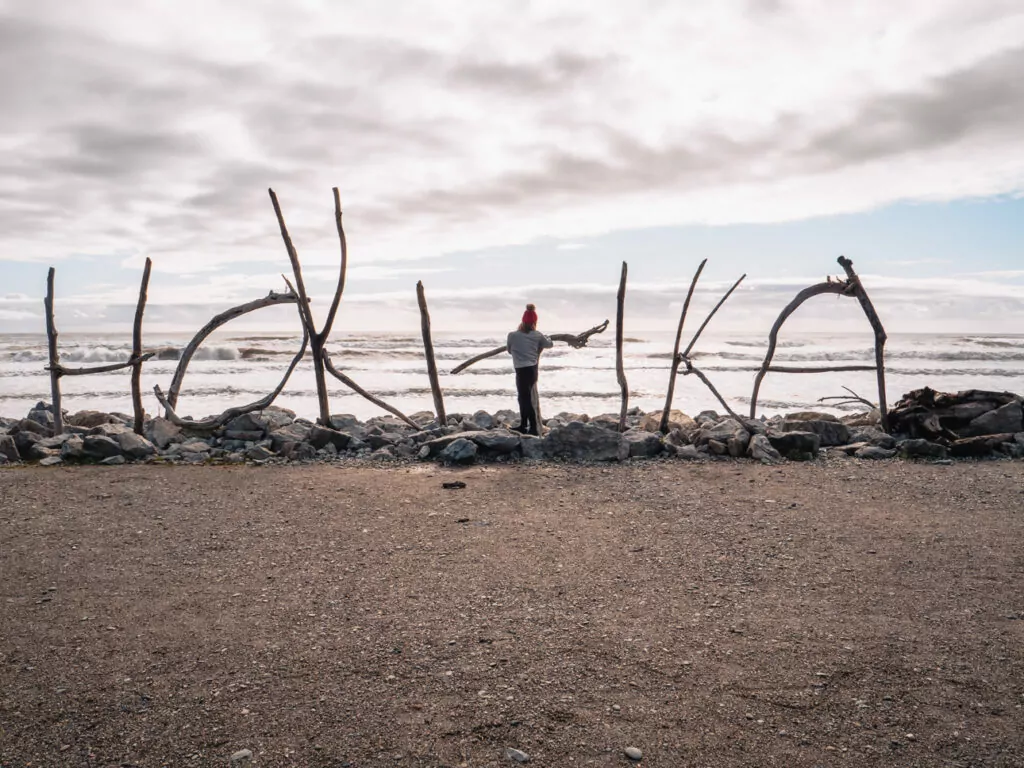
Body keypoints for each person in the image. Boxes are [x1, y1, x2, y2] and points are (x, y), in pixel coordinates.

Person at [507, 303, 553, 436]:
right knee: (527, 398)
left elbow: (510, 350)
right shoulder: (537, 335)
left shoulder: (512, 335)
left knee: (523, 398)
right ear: (534, 322)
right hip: (532, 370)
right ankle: (528, 426)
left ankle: (528, 426)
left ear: (522, 321)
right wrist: (547, 337)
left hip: (520, 370)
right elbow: (549, 344)